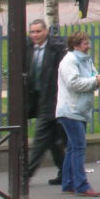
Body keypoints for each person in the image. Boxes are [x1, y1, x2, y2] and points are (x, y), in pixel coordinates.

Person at [55, 32, 100, 197]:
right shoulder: (69, 61)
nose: (88, 45)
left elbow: (93, 74)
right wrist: (94, 81)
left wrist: (97, 79)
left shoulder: (86, 59)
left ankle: (68, 183)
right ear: (76, 45)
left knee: (72, 148)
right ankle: (81, 185)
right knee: (78, 147)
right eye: (85, 43)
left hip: (79, 109)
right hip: (70, 109)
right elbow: (73, 83)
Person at [23, 19, 67, 185]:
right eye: (32, 32)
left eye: (38, 31)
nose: (35, 35)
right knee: (53, 140)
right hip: (35, 99)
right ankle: (65, 172)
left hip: (52, 99)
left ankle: (25, 175)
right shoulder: (27, 47)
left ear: (46, 31)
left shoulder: (56, 48)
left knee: (41, 137)